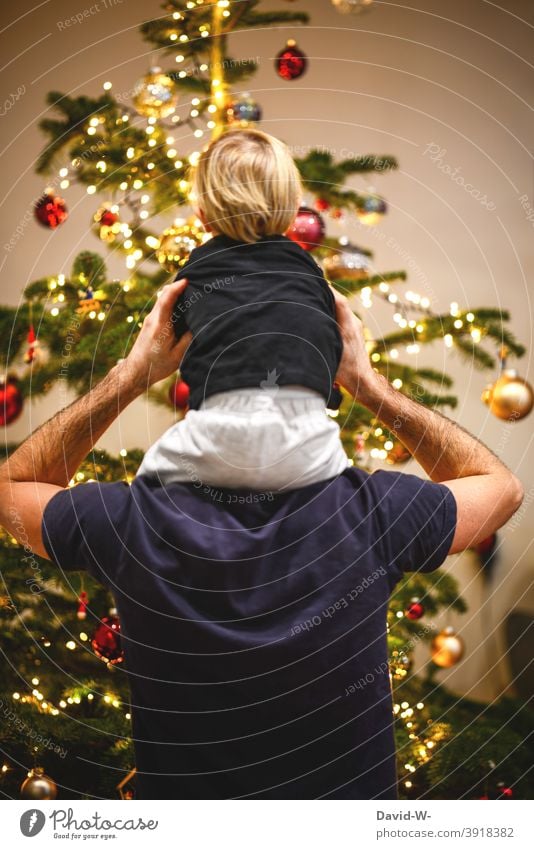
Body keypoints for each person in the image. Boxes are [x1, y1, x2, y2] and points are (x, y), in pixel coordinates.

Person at [0, 278, 523, 799]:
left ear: (194, 397)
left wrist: (133, 374)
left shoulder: (127, 517)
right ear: (321, 394)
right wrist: (370, 386)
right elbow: (501, 488)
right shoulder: (376, 510)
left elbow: (12, 488)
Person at [137, 128, 348, 491]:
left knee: (149, 480)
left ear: (203, 216)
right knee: (339, 472)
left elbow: (174, 339)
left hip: (218, 437)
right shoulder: (311, 275)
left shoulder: (197, 272)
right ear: (291, 211)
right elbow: (328, 342)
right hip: (310, 450)